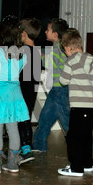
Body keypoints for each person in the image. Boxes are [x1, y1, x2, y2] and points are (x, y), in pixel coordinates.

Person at [0, 16, 30, 174]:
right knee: (13, 128)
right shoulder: (23, 55)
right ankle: (13, 162)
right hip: (15, 95)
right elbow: (17, 73)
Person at [58, 29, 93, 177]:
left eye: (65, 51)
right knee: (86, 135)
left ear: (68, 48)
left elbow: (63, 81)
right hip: (92, 105)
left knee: (74, 137)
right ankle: (87, 163)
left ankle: (76, 167)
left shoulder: (71, 61)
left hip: (79, 105)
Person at [32, 18, 70, 152]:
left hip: (60, 89)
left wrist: (37, 55)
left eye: (48, 30)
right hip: (58, 89)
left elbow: (48, 63)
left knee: (67, 121)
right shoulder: (60, 47)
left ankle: (84, 146)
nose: (45, 32)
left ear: (55, 34)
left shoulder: (58, 47)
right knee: (45, 118)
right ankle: (38, 145)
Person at [18, 17, 43, 164]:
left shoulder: (23, 51)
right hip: (31, 90)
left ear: (24, 34)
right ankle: (27, 145)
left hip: (22, 90)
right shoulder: (37, 52)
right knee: (25, 118)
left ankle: (25, 147)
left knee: (22, 120)